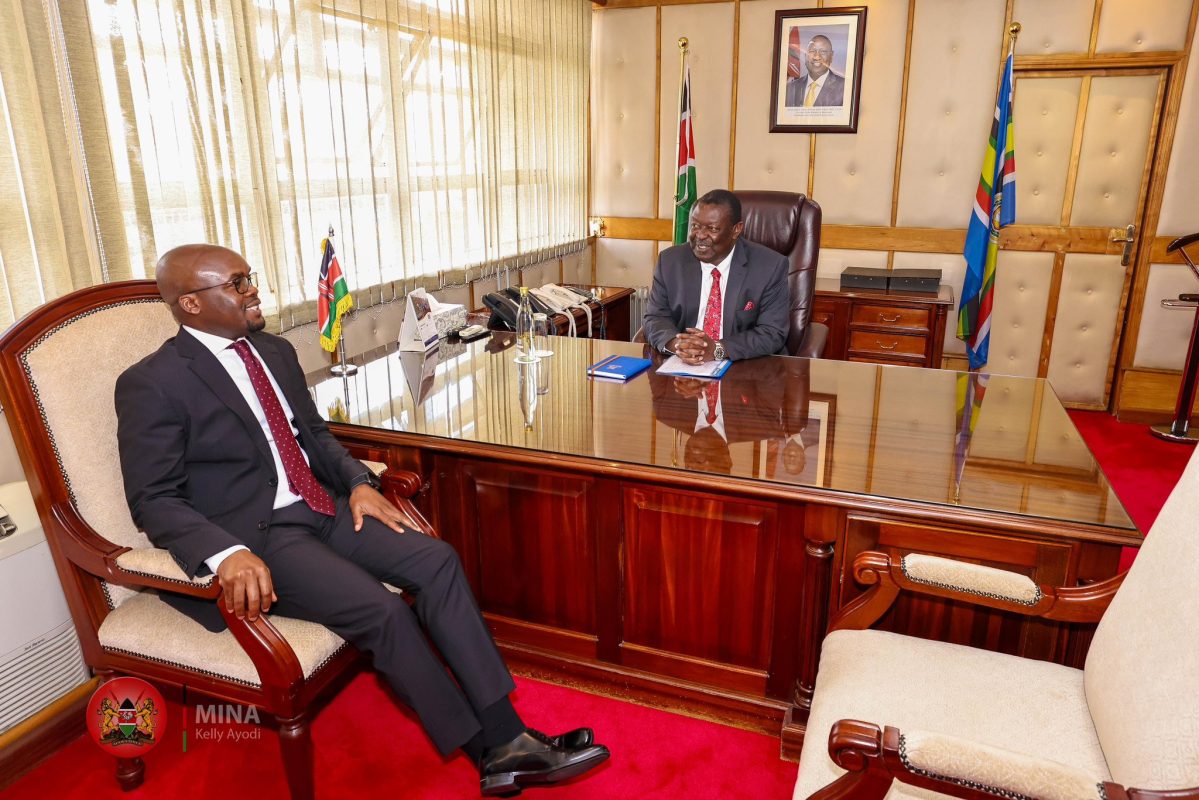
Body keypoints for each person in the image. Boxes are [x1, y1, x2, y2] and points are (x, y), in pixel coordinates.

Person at [114, 244, 609, 797]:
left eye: (250, 278)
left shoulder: (271, 351)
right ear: (191, 303)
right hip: (257, 536)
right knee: (382, 611)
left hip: (320, 506)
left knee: (436, 560)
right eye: (238, 283)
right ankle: (489, 751)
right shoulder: (153, 382)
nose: (254, 290)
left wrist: (356, 483)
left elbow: (316, 436)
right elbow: (153, 499)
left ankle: (508, 735)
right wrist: (225, 553)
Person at [642, 189, 790, 364]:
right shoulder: (670, 261)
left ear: (736, 230)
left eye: (712, 228)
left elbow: (772, 332)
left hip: (744, 367)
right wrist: (678, 345)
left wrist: (718, 349)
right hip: (682, 366)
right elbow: (655, 318)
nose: (700, 235)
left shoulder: (769, 266)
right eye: (695, 226)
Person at [785, 34, 846, 107]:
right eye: (812, 51)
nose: (817, 57)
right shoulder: (789, 88)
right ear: (805, 56)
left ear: (831, 56)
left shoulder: (845, 87)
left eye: (823, 51)